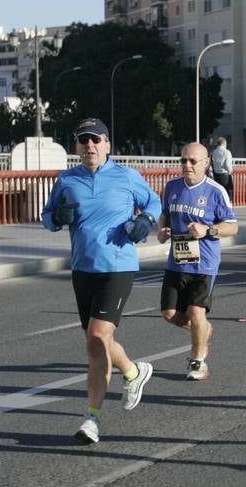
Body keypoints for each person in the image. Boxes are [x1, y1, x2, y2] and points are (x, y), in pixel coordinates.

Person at [40, 117, 162, 445]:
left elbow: (153, 201)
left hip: (118, 266)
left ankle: (92, 419)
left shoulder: (126, 176)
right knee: (99, 342)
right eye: (83, 141)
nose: (89, 146)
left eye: (96, 140)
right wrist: (56, 218)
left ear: (107, 144)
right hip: (83, 268)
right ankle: (135, 372)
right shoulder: (67, 179)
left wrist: (145, 221)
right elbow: (47, 216)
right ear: (76, 146)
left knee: (96, 335)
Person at [156, 141, 238, 380]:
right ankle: (203, 331)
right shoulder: (171, 187)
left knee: (195, 311)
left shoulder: (215, 191)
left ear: (206, 163)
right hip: (177, 261)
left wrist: (207, 230)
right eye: (183, 160)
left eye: (193, 161)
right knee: (169, 313)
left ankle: (198, 361)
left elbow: (232, 227)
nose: (187, 165)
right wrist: (162, 231)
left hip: (205, 263)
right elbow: (165, 215)